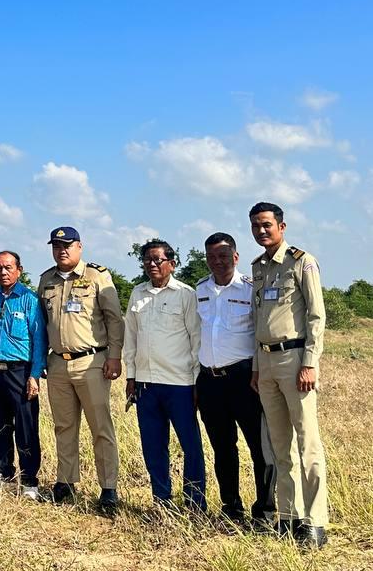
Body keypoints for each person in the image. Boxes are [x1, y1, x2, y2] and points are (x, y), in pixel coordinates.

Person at [249, 201, 328, 549]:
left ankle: (315, 522)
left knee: (307, 443)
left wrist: (309, 363)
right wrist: (256, 367)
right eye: (256, 225)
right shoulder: (258, 267)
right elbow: (258, 321)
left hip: (295, 360)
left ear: (281, 226)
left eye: (266, 224)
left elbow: (316, 316)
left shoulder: (301, 262)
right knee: (279, 446)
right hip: (266, 362)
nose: (261, 230)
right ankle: (288, 516)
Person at [36, 225, 124, 514]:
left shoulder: (97, 276)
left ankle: (108, 488)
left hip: (91, 362)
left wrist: (115, 356)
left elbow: (114, 319)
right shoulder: (46, 280)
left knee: (100, 427)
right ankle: (65, 482)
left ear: (79, 247)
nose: (62, 250)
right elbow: (41, 324)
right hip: (58, 364)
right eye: (56, 246)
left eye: (67, 245)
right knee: (64, 426)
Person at [195, 231, 275, 527]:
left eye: (223, 255)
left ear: (236, 257)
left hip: (244, 379)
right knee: (222, 448)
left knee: (259, 448)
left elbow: (262, 331)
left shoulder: (250, 288)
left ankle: (264, 511)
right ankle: (231, 507)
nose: (217, 261)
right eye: (211, 256)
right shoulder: (199, 289)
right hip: (209, 380)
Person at [124, 239, 205, 513]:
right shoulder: (138, 293)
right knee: (153, 447)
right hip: (146, 384)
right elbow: (131, 338)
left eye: (158, 259)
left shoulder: (186, 294)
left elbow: (196, 340)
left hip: (179, 384)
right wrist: (131, 377)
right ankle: (162, 503)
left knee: (190, 446)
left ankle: (195, 505)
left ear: (172, 263)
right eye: (147, 260)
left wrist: (197, 382)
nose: (152, 264)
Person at [0, 251, 45, 500]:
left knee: (26, 427)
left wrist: (34, 375)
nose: (3, 272)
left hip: (21, 371)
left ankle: (29, 480)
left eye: (8, 267)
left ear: (19, 270)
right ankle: (2, 474)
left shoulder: (29, 299)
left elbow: (39, 339)